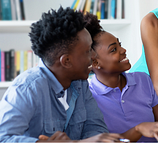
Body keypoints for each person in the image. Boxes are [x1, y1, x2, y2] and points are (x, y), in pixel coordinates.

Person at [0, 7, 123, 142]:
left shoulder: (80, 83)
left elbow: (97, 129)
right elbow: (4, 138)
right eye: (88, 51)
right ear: (66, 61)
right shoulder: (26, 88)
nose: (94, 56)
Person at [84, 13, 158, 142]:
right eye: (113, 49)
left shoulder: (143, 80)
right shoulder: (89, 97)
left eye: (120, 44)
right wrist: (138, 129)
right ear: (95, 63)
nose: (123, 50)